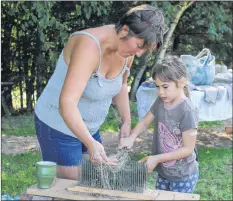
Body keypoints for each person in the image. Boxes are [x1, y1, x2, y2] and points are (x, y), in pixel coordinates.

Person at [34, 4, 167, 180]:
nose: (140, 53)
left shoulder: (127, 50)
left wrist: (126, 121)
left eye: (145, 49)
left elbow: (121, 85)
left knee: (95, 179)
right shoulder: (88, 46)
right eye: (140, 45)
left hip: (89, 127)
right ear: (124, 30)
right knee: (71, 185)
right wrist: (90, 142)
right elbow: (66, 103)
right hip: (58, 125)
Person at [119, 55, 199, 193]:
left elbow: (188, 149)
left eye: (165, 86)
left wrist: (157, 158)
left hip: (183, 176)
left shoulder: (187, 111)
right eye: (157, 87)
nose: (160, 92)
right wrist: (132, 137)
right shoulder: (161, 101)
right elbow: (144, 122)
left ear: (181, 82)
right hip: (164, 172)